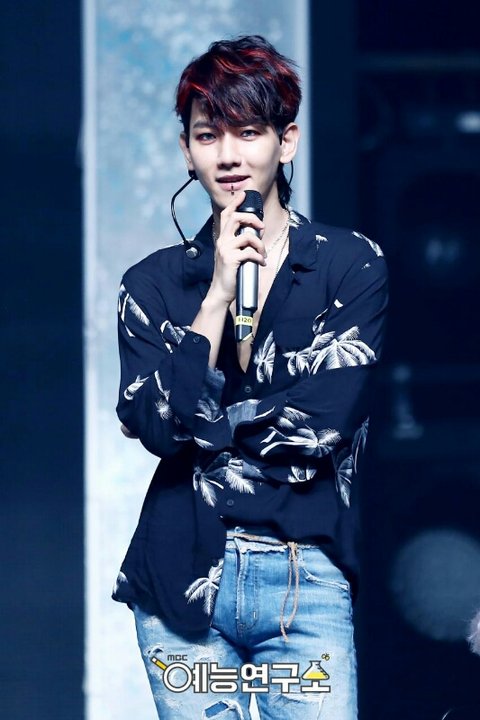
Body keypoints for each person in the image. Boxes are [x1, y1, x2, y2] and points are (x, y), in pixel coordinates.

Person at [112, 35, 388, 720]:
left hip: (305, 580)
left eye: (249, 132)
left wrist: (204, 419)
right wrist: (215, 298)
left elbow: (318, 428)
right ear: (187, 151)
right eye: (209, 135)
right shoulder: (152, 285)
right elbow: (157, 429)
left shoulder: (349, 267)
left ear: (286, 142)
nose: (229, 156)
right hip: (180, 579)